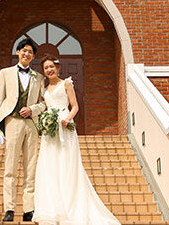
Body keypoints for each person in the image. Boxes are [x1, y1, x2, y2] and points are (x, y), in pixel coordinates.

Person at [33, 56, 120, 225]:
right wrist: (44, 121)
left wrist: (67, 119)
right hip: (50, 131)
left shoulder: (66, 83)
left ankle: (70, 205)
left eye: (51, 66)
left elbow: (75, 106)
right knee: (50, 165)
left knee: (66, 164)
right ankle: (52, 207)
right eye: (46, 68)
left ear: (57, 67)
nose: (49, 70)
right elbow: (44, 106)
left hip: (65, 126)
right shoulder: (44, 88)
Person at [0, 38, 46, 222]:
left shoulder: (39, 77)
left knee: (30, 167)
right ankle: (9, 209)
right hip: (13, 122)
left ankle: (28, 209)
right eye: (24, 50)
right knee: (10, 168)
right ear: (18, 52)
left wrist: (32, 109)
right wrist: (0, 128)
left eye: (30, 52)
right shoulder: (5, 73)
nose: (26, 54)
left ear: (33, 56)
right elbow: (0, 100)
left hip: (31, 124)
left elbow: (44, 103)